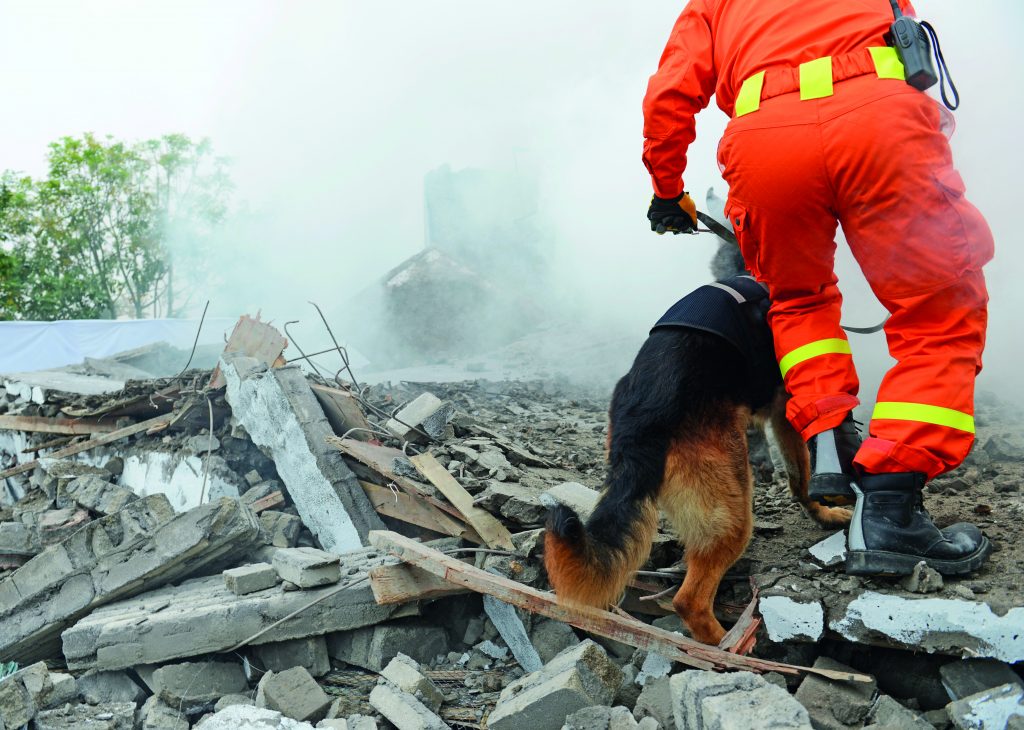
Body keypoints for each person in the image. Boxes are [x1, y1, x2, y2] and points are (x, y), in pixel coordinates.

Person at [642, 0, 995, 576]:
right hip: (878, 122)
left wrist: (666, 188)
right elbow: (906, 42)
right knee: (938, 312)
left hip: (766, 141)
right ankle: (891, 510)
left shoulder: (713, 4)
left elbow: (670, 93)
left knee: (798, 302)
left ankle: (830, 443)